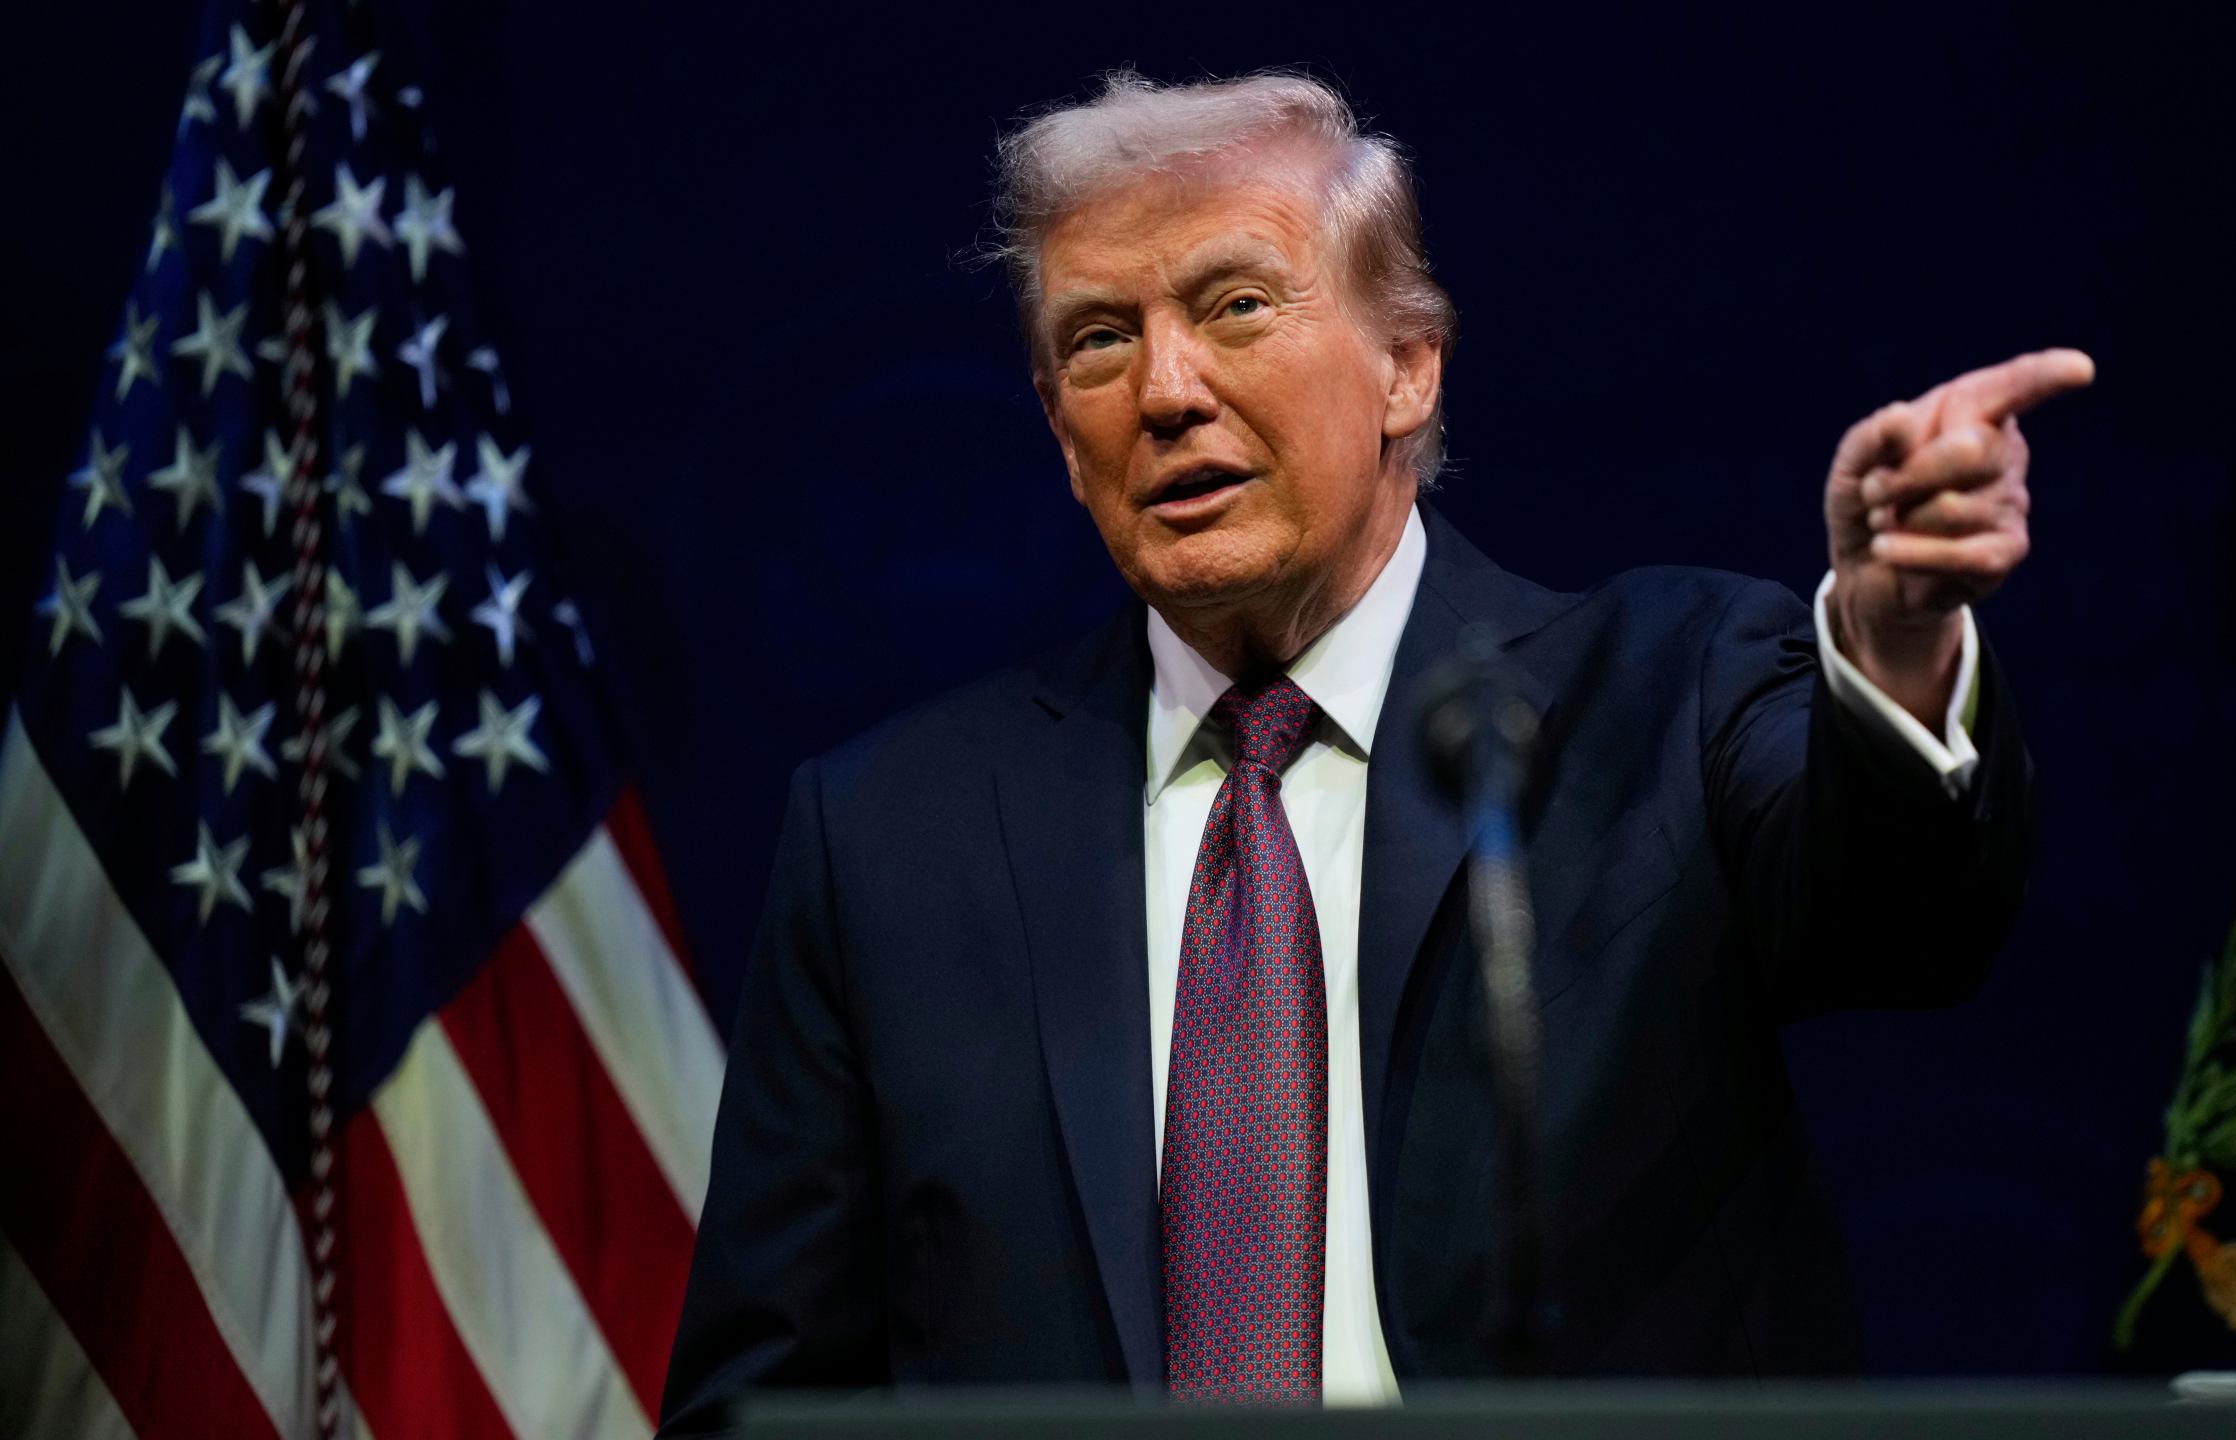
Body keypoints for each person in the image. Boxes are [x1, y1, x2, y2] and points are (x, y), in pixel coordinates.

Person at [658, 69, 2087, 1430]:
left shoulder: (1666, 691)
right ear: (1057, 429)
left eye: (1236, 306)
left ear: (1408, 366)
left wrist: (1895, 645)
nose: (1165, 389)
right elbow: (767, 1402)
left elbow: (1912, 923)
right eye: (1098, 339)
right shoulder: (891, 837)